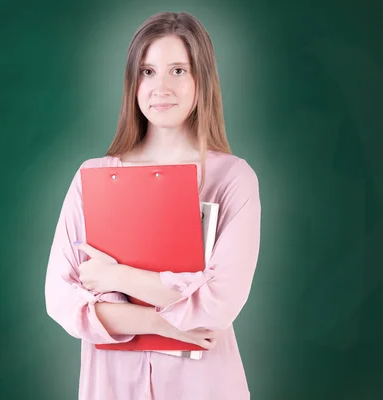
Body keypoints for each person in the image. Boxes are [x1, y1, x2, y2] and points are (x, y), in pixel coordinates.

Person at [44, 11, 261, 400]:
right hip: (111, 385)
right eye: (147, 72)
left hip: (204, 385)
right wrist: (167, 325)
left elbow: (217, 304)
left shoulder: (233, 178)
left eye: (178, 70)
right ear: (132, 82)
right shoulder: (91, 177)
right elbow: (61, 299)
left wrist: (114, 277)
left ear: (202, 81)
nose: (161, 86)